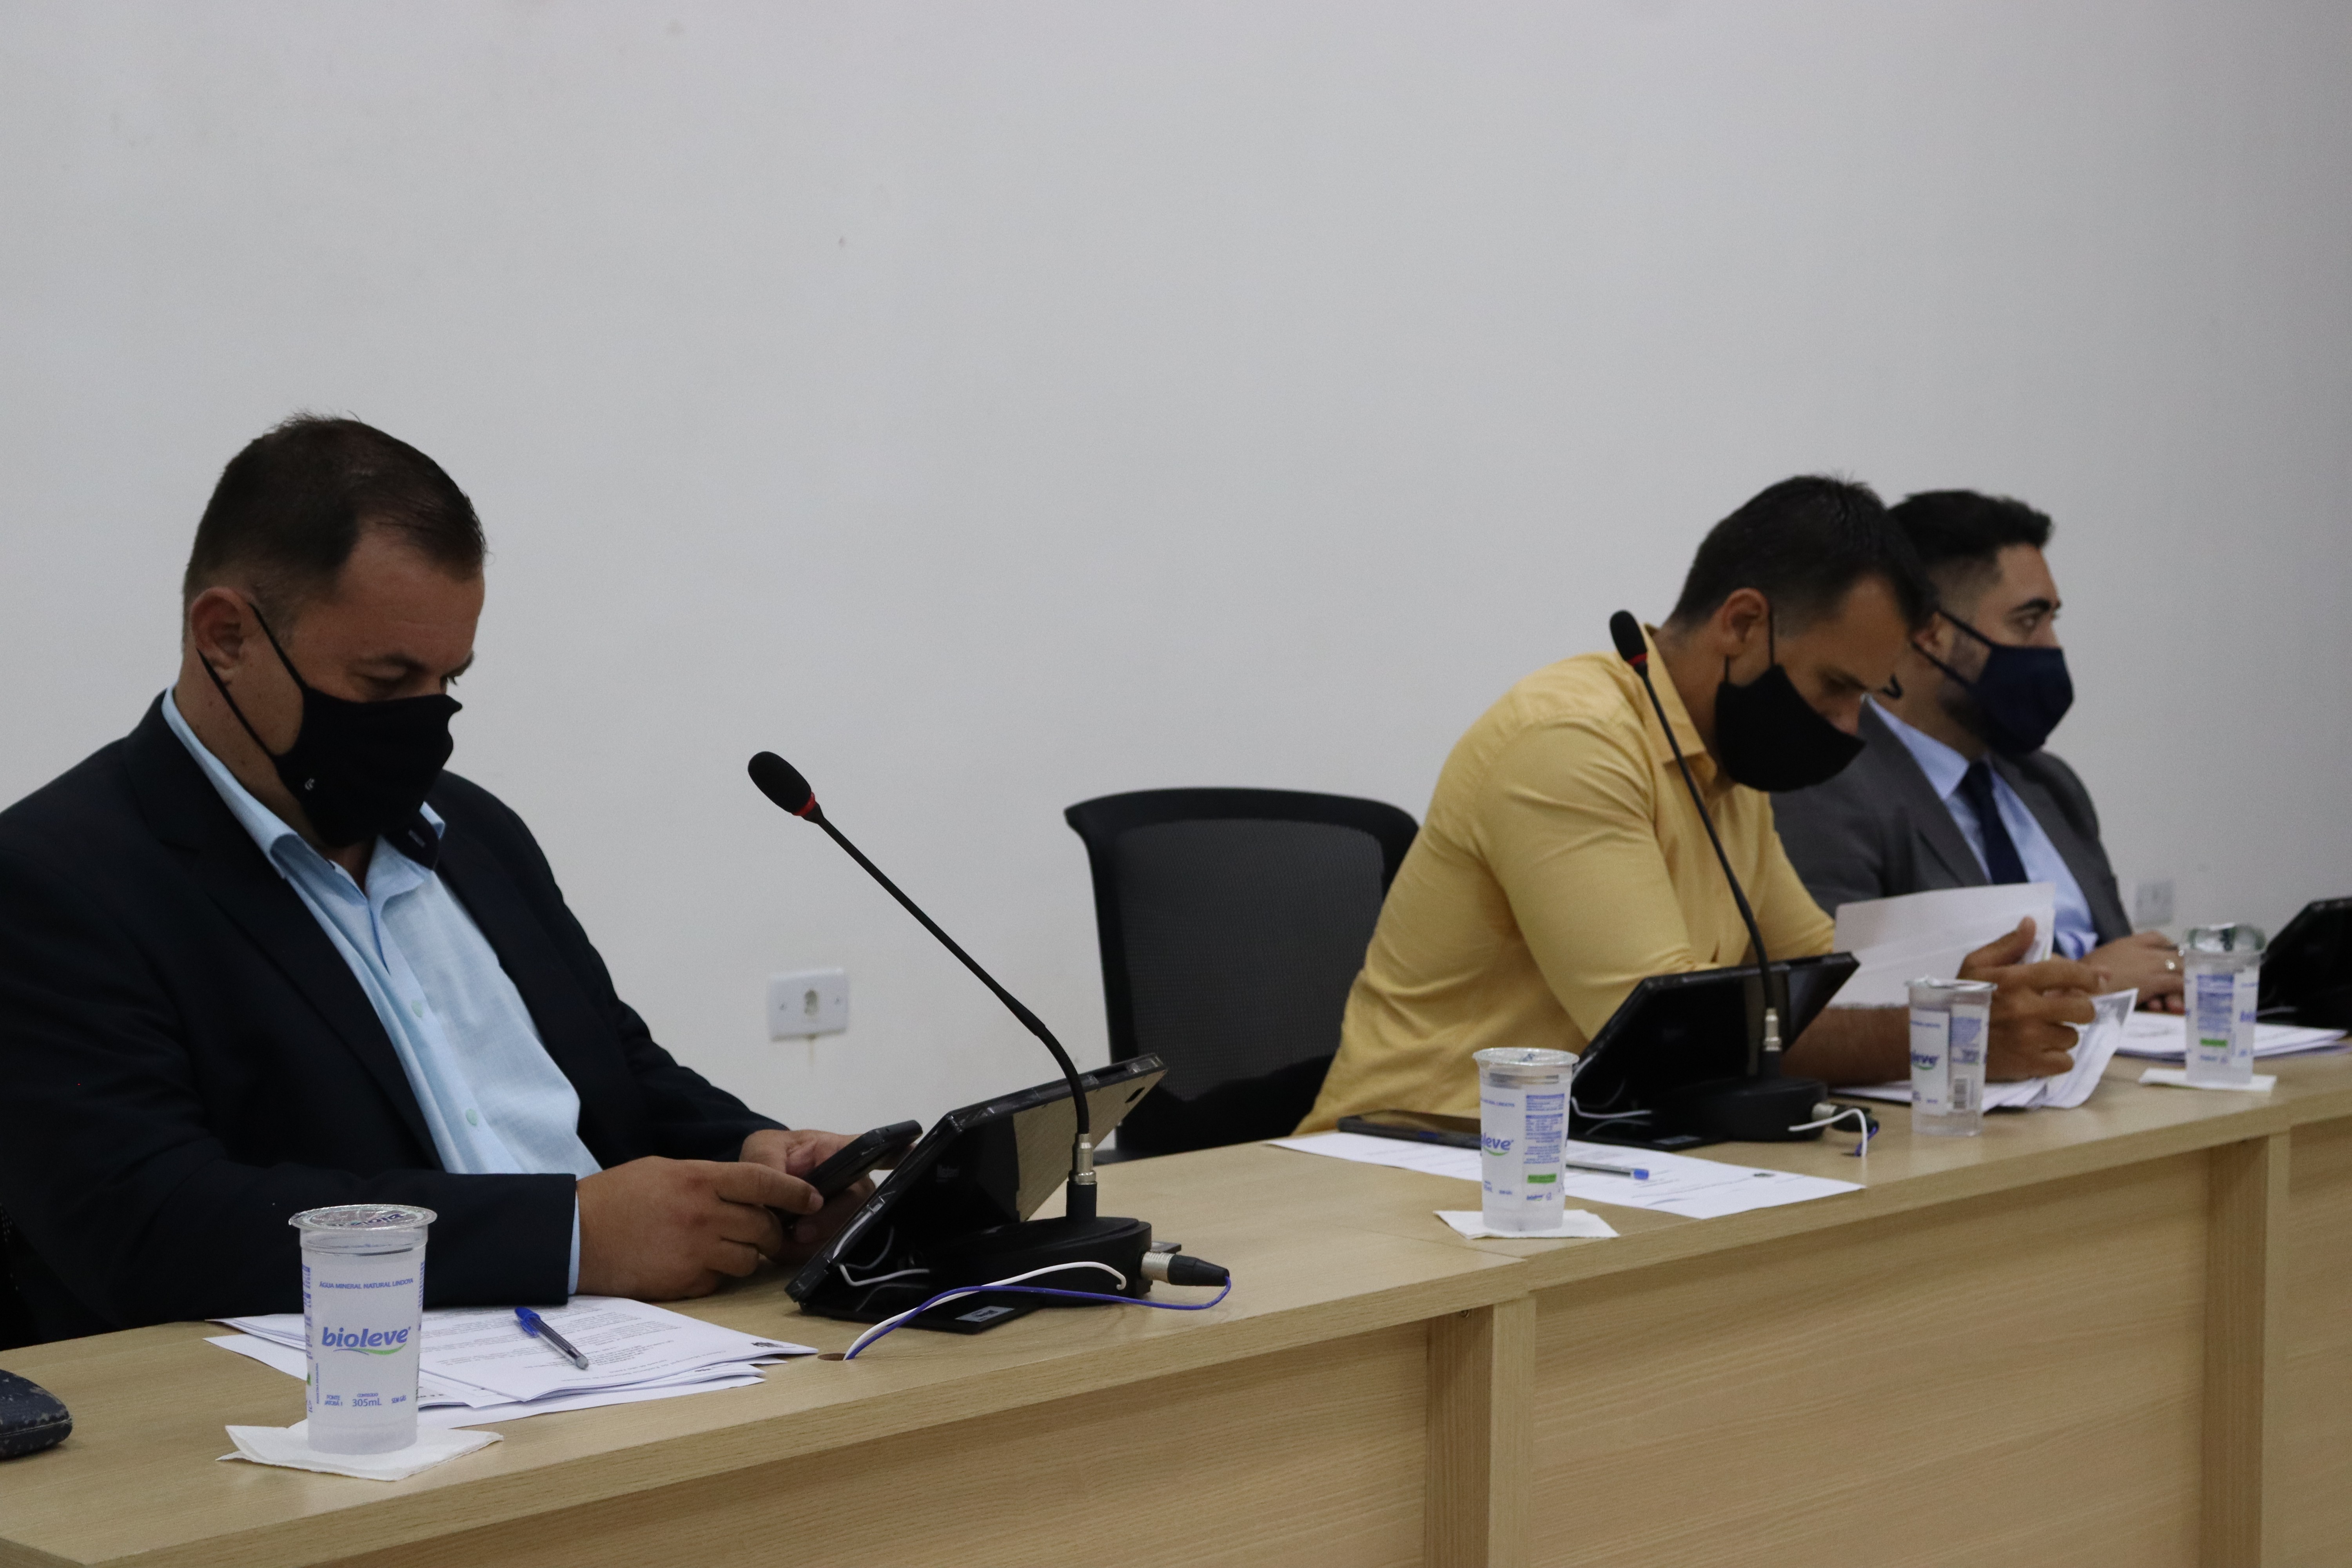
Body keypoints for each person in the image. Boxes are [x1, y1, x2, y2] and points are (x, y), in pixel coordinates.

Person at [0, 417, 867, 1343]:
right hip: (352, 1392)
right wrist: (571, 1235)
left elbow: (615, 1071)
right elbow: (148, 1222)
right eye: (385, 681)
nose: (425, 725)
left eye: (450, 680)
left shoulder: (474, 830)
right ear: (226, 636)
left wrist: (753, 1152)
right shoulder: (54, 880)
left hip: (636, 1352)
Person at [1299, 476, 2101, 1132]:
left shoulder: (1729, 765)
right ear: (1743, 623)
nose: (1849, 727)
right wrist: (1941, 1033)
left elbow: (1818, 982)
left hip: (1589, 1155)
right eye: (1835, 686)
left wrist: (1958, 994)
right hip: (1418, 1153)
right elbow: (1667, 1038)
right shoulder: (1570, 740)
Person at [1773, 490, 2183, 1011]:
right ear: (1930, 634)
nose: (2051, 647)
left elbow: (2126, 961)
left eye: (2053, 619)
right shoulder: (1828, 789)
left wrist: (2159, 990)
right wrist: (2091, 982)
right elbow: (1835, 1008)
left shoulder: (2051, 786)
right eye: (2027, 621)